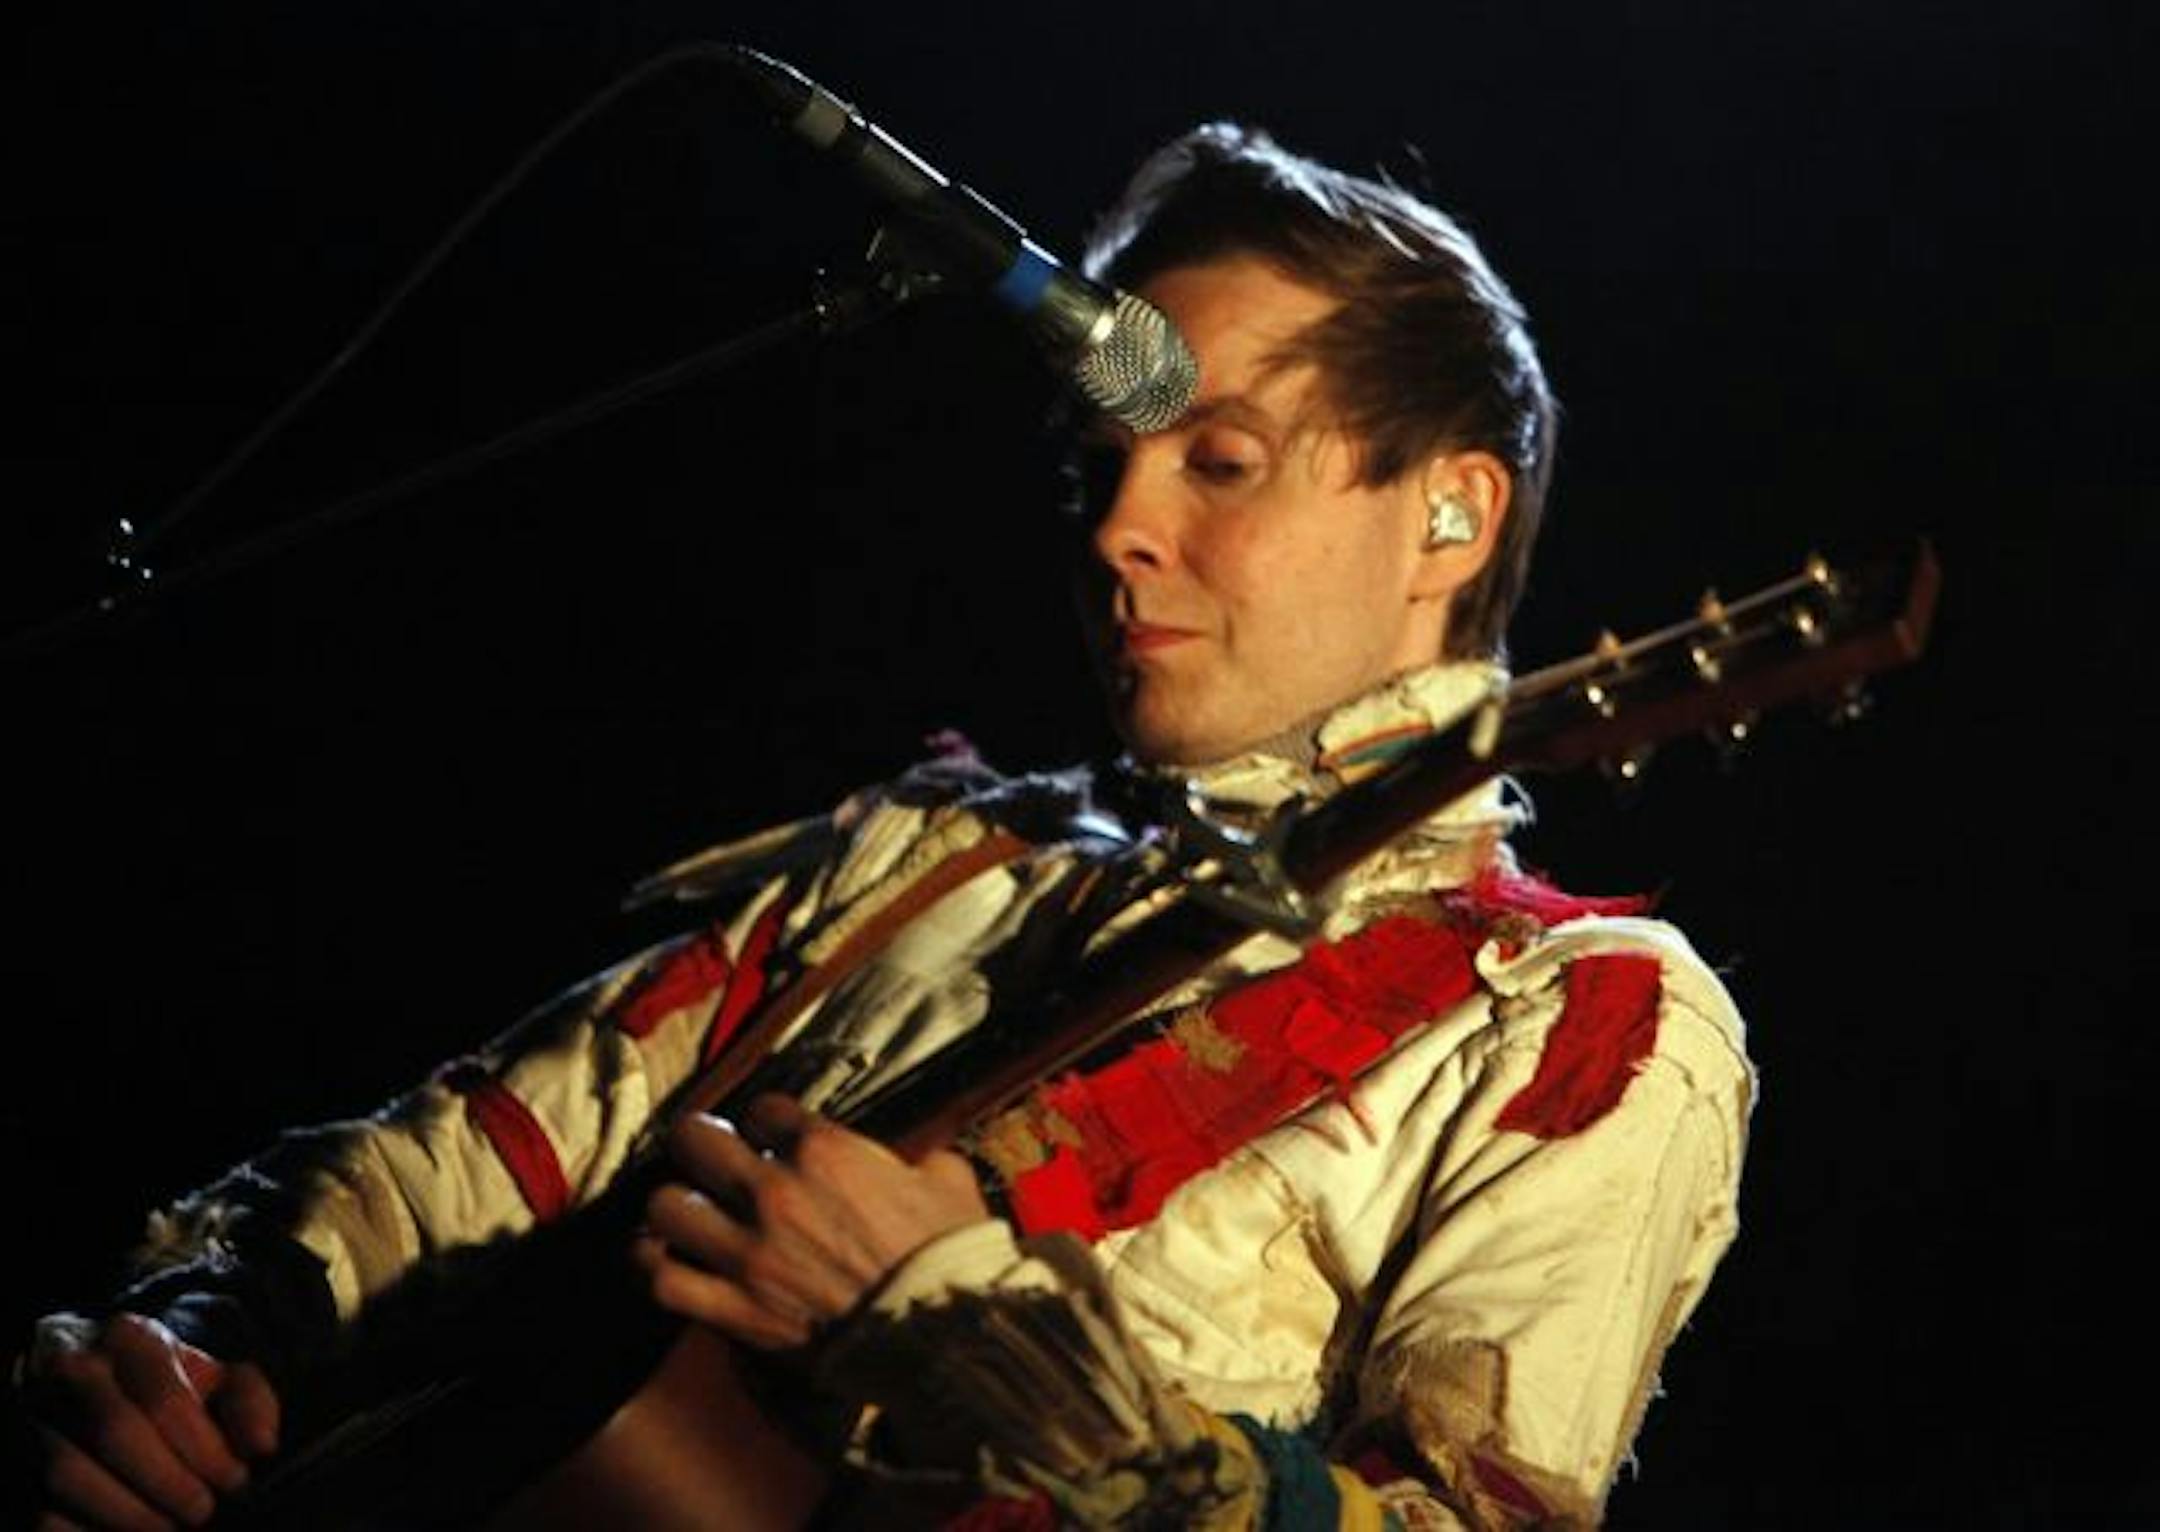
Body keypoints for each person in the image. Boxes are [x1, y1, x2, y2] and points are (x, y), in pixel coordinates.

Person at [15, 122, 1753, 1530]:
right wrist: (195, 1347)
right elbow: (444, 1169)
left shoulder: (1573, 1016)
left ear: (1451, 513)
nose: (1120, 526)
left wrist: (949, 1324)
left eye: (1216, 459)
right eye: (1100, 465)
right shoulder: (931, 859)